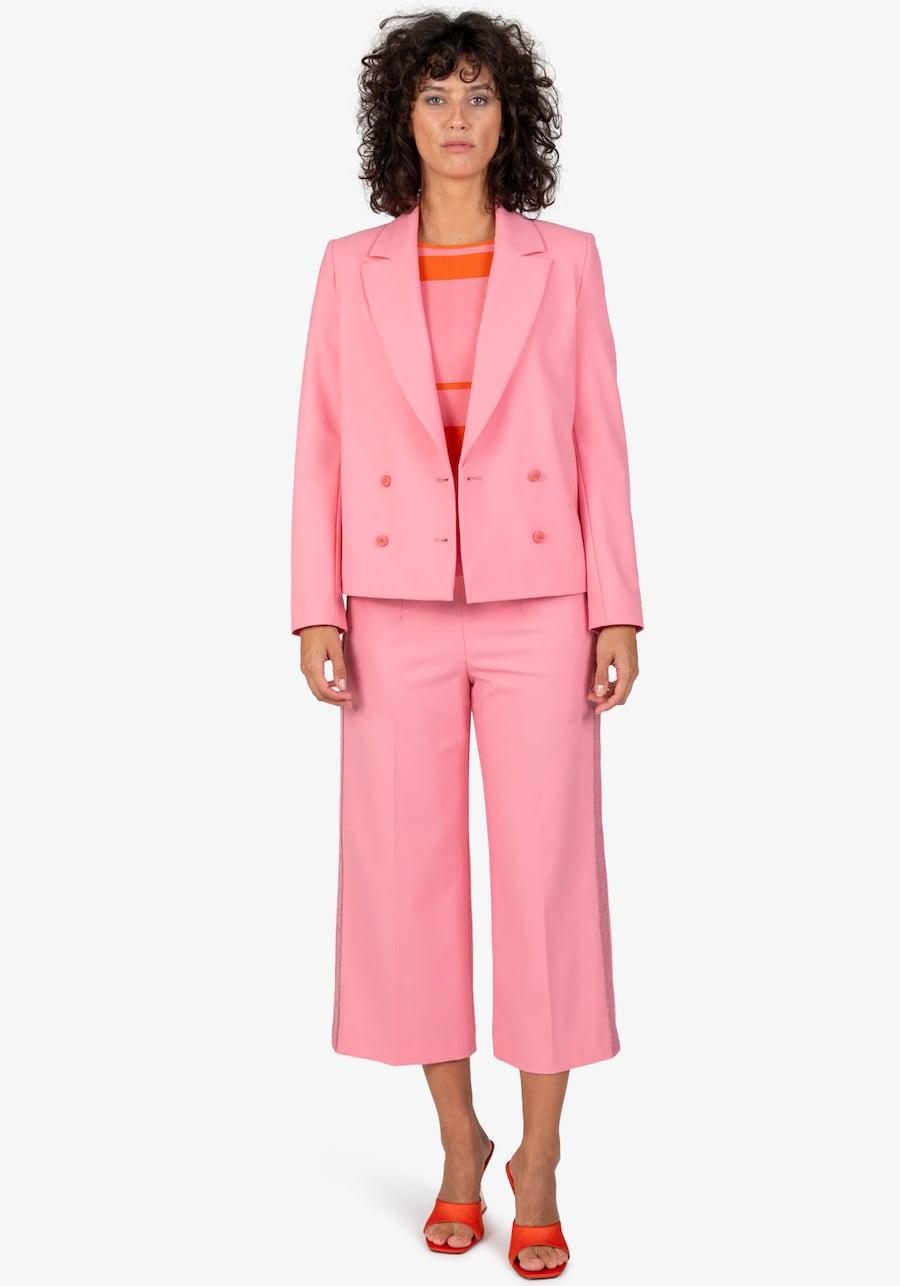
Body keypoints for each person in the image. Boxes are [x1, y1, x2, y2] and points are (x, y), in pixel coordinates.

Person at [290, 11, 644, 1279]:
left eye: (479, 94)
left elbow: (599, 434)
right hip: (392, 604)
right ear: (402, 116)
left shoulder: (568, 260)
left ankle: (538, 1158)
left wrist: (617, 604)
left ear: (511, 119)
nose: (456, 115)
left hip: (542, 600)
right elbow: (322, 443)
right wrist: (315, 604)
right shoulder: (350, 268)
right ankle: (458, 1136)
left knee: (547, 878)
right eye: (435, 93)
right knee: (409, 880)